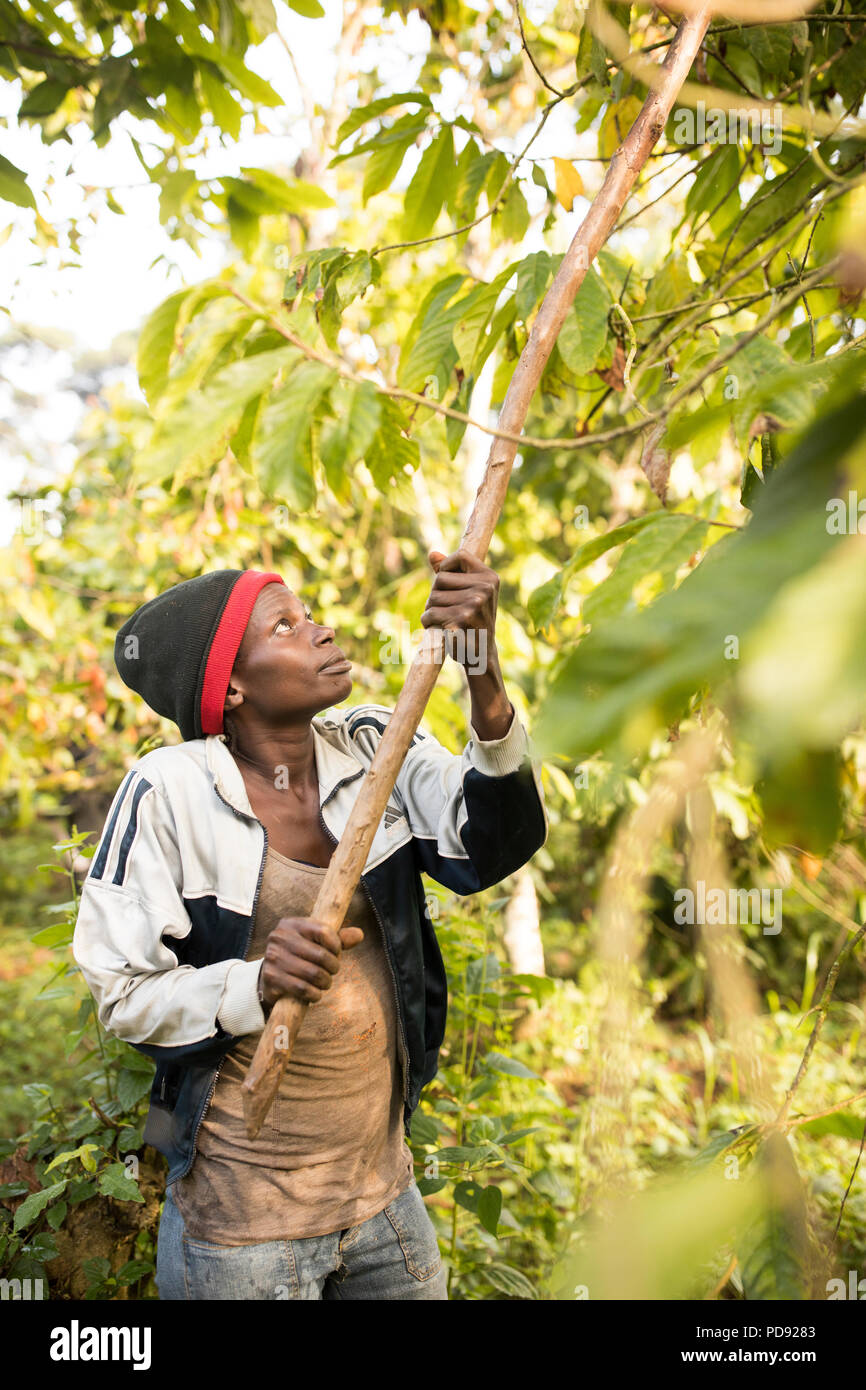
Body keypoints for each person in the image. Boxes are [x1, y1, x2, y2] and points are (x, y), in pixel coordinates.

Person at [72, 549, 548, 1300]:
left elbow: (493, 842)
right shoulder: (168, 793)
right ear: (229, 687)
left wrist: (481, 669)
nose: (320, 630)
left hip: (383, 1200)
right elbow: (124, 995)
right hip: (243, 1233)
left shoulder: (371, 746)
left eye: (309, 612)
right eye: (285, 625)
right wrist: (254, 982)